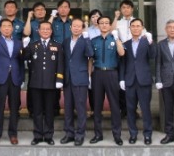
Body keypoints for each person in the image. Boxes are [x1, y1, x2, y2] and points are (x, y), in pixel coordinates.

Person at [25, 21, 64, 145]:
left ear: (51, 31)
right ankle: (37, 135)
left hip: (51, 84)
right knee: (37, 111)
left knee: (49, 111)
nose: (45, 31)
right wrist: (25, 47)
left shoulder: (57, 46)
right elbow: (23, 57)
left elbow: (60, 64)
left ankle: (48, 135)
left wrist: (59, 79)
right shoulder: (33, 45)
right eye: (43, 29)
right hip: (36, 84)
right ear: (38, 31)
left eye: (48, 29)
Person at [0, 19, 25, 145]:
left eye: (9, 26)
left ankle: (13, 134)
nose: (7, 28)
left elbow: (21, 61)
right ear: (0, 28)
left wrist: (22, 78)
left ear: (13, 28)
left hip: (14, 77)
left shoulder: (19, 42)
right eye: (4, 26)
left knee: (14, 108)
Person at [89, 15, 125, 146]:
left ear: (110, 25)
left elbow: (121, 53)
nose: (104, 25)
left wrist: (117, 39)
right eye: (101, 23)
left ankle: (117, 135)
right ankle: (98, 134)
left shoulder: (115, 38)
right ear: (98, 25)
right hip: (97, 74)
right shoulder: (94, 40)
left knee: (114, 105)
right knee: (97, 106)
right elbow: (90, 59)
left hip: (111, 73)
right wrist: (89, 76)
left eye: (106, 23)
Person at [119, 18, 155, 145]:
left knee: (145, 109)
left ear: (142, 28)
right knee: (130, 109)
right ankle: (133, 134)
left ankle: (147, 134)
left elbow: (153, 55)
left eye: (138, 26)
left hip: (144, 80)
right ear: (130, 28)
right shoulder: (126, 44)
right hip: (130, 80)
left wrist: (151, 42)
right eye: (133, 26)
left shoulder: (147, 41)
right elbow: (122, 63)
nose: (135, 28)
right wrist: (122, 79)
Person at [61, 18, 93, 146]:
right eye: (74, 26)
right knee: (68, 108)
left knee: (80, 108)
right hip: (67, 78)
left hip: (80, 78)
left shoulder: (85, 40)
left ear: (82, 28)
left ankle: (80, 134)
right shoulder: (66, 41)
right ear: (70, 27)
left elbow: (90, 53)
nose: (76, 28)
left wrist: (87, 38)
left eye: (79, 26)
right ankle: (69, 133)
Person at [23, 1, 47, 117]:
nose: (40, 11)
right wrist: (29, 17)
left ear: (45, 11)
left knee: (47, 83)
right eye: (37, 10)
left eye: (42, 9)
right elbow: (26, 33)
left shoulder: (48, 23)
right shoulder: (31, 23)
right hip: (34, 57)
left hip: (47, 56)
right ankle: (32, 108)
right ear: (33, 12)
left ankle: (47, 108)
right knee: (32, 83)